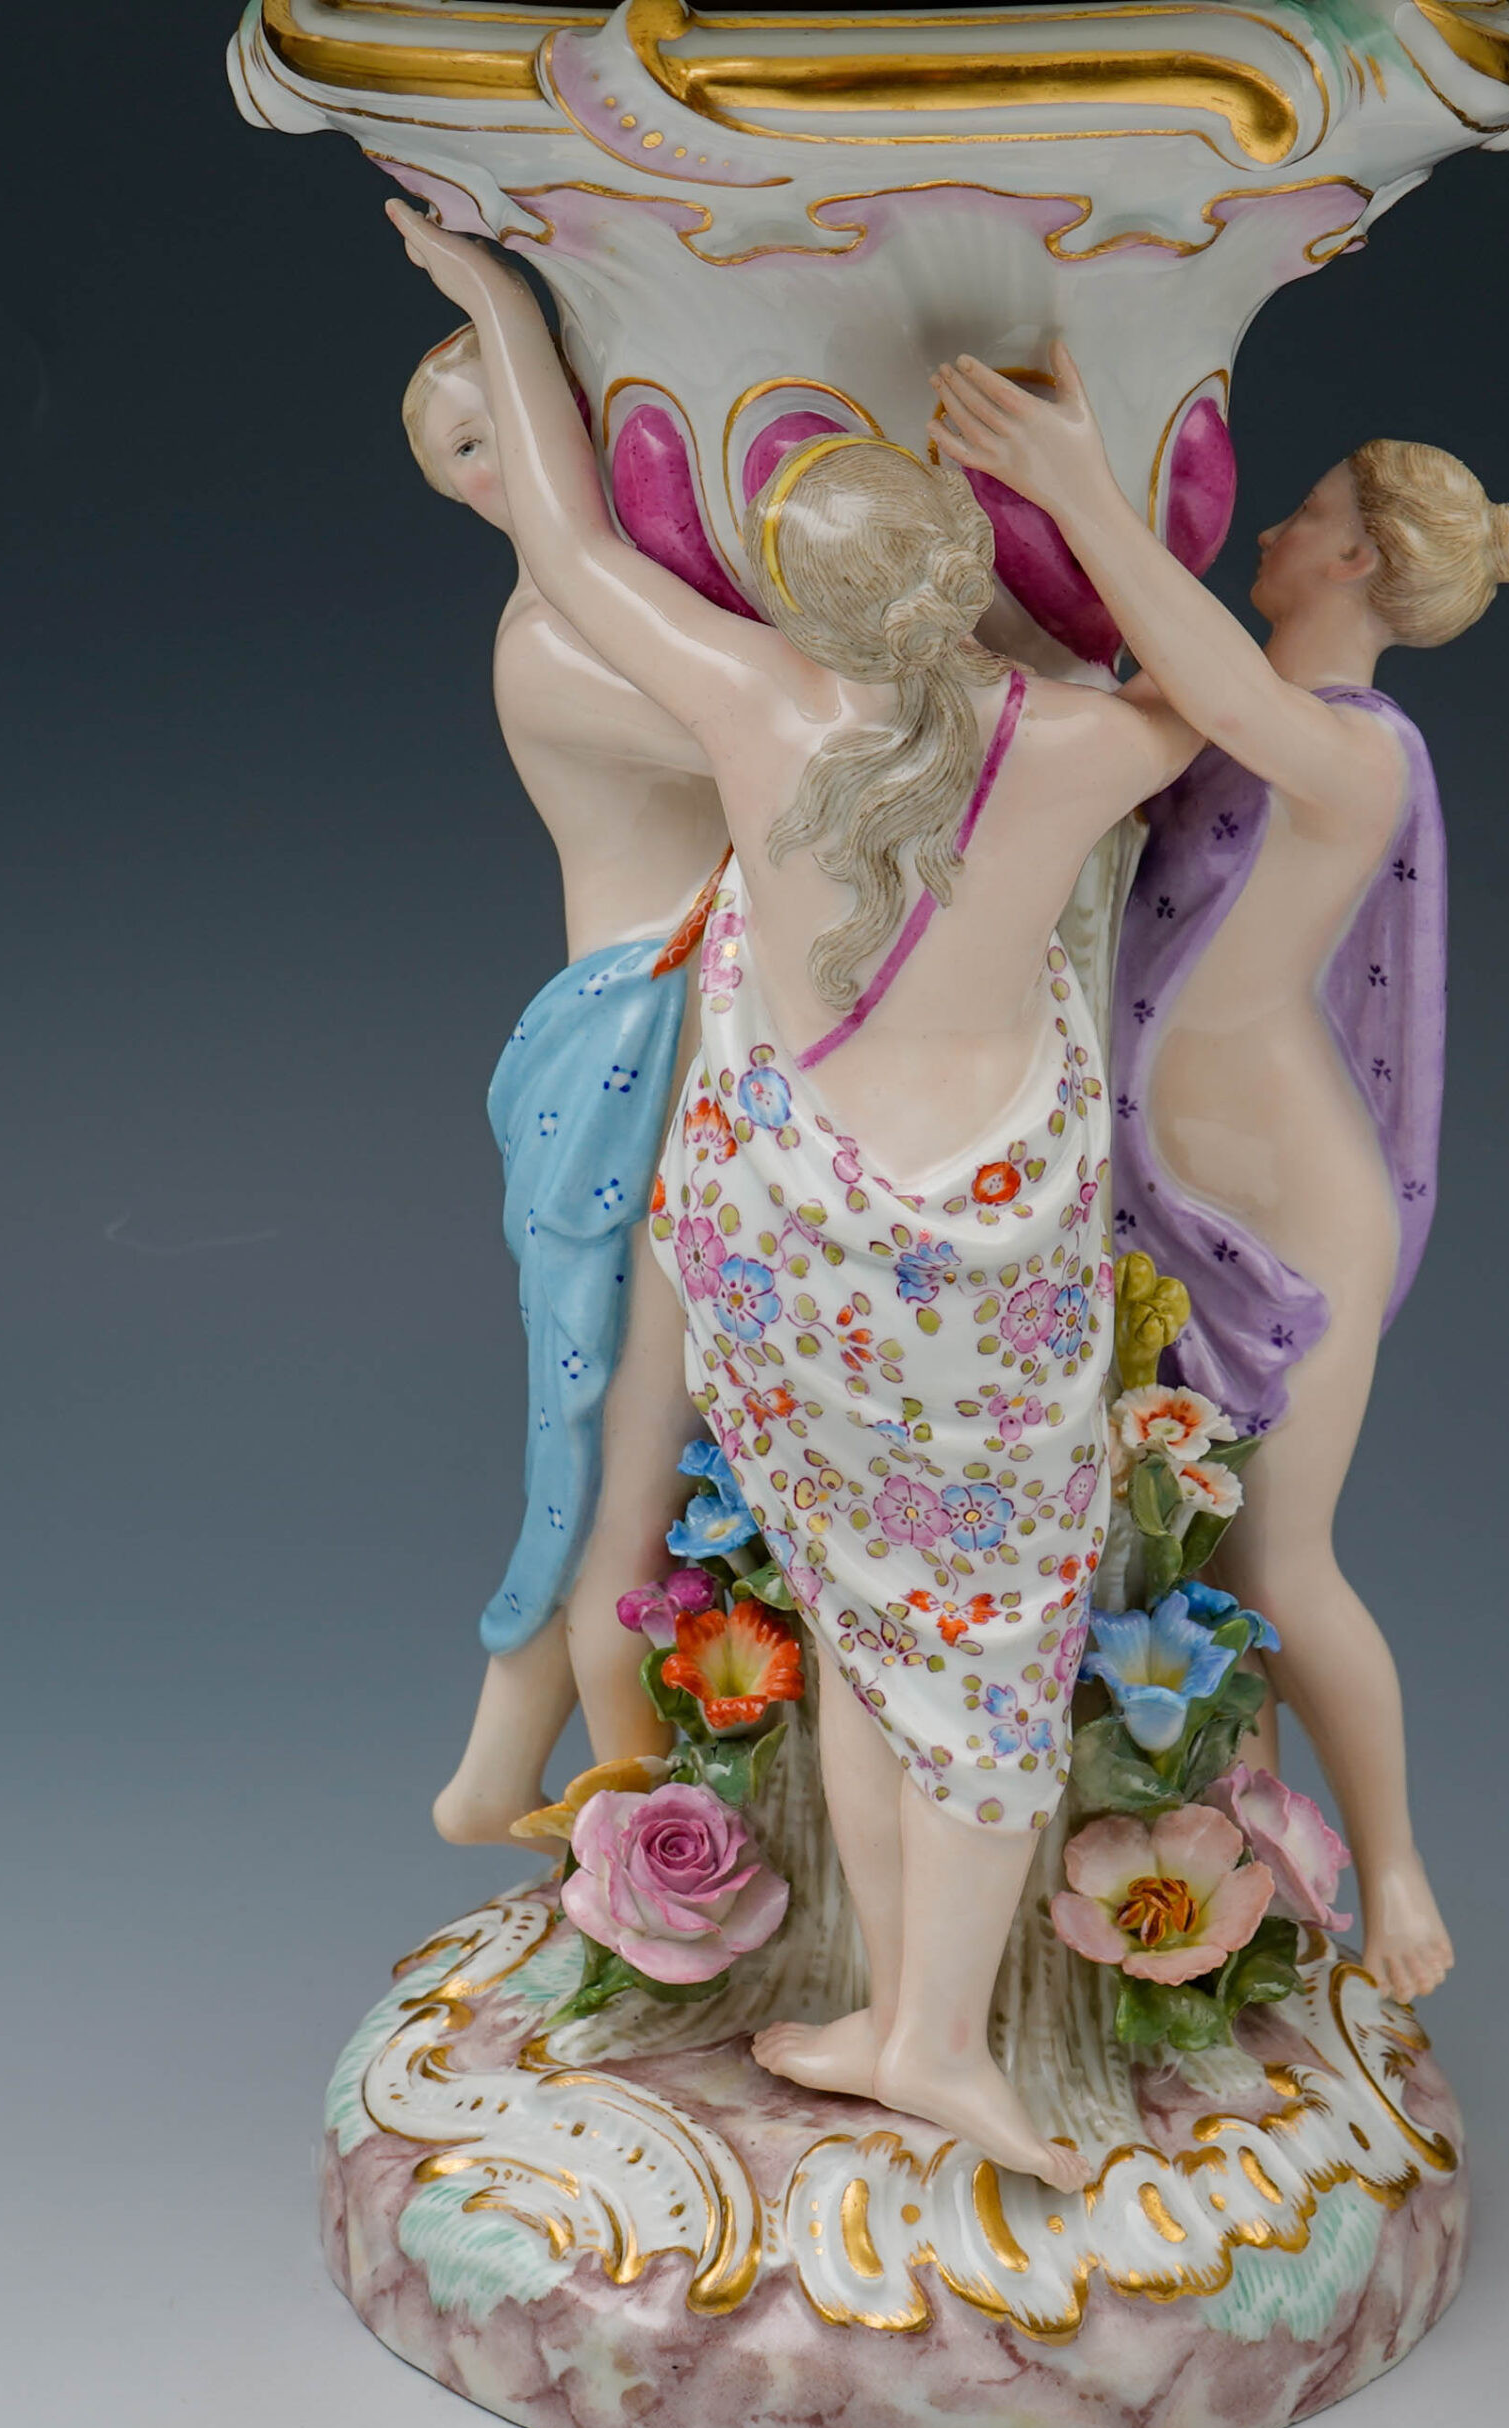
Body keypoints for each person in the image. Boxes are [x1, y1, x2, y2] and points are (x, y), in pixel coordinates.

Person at [391, 203, 1199, 2186]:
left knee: (853, 1615)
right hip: (978, 1255)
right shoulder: (1078, 742)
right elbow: (1213, 692)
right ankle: (938, 2033)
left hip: (787, 1237)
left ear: (795, 594)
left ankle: (886, 2028)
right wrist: (1089, 499)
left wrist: (497, 305)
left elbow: (569, 545)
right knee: (986, 1647)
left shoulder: (751, 701)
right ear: (962, 575)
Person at [931, 346, 1509, 2003]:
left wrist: (1075, 484)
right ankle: (1215, 1872)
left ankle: (1395, 1864)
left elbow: (1224, 689)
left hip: (1287, 1208)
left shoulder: (1358, 747)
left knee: (1279, 1561)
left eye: (1308, 514)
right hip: (1153, 1184)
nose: (1272, 527)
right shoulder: (1209, 703)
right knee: (1172, 1560)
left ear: (1358, 559)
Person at [401, 324, 732, 1847]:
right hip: (639, 1042)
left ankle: (498, 1781)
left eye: (518, 421)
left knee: (636, 1427)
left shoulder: (629, 611)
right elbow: (769, 746)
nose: (505, 461)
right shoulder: (554, 639)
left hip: (700, 1022)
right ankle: (635, 1847)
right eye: (465, 447)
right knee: (614, 1434)